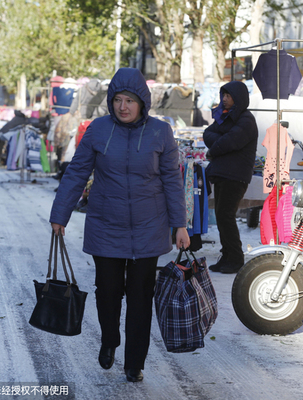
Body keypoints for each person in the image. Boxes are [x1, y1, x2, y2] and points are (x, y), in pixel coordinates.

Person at [49, 68, 190, 383]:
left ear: (142, 102)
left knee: (141, 297)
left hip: (149, 226)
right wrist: (60, 213)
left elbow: (172, 180)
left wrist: (180, 225)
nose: (122, 106)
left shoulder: (160, 132)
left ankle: (134, 363)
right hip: (106, 224)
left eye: (129, 100)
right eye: (117, 100)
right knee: (108, 292)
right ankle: (110, 339)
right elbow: (76, 172)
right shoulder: (99, 130)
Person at [203, 81, 258, 274]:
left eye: (228, 96)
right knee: (221, 216)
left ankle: (235, 258)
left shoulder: (246, 119)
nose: (224, 99)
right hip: (223, 173)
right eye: (223, 95)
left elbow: (231, 141)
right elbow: (207, 133)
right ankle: (227, 255)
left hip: (235, 175)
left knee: (226, 216)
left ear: (238, 97)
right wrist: (219, 144)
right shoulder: (225, 117)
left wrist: (214, 150)